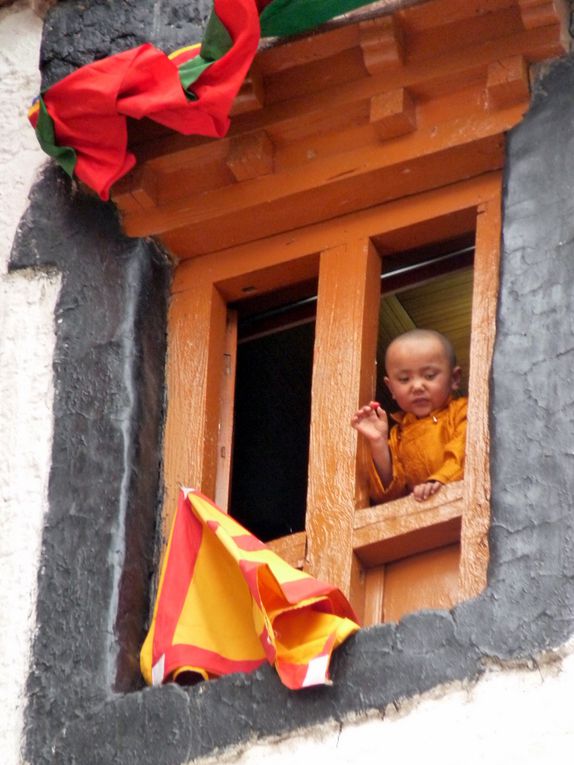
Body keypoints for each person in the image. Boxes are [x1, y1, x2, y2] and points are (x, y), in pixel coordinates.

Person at [351, 328, 467, 503]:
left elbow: (463, 452)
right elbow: (390, 495)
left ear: (454, 378)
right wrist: (378, 443)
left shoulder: (463, 411)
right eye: (405, 379)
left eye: (429, 375)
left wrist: (439, 480)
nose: (417, 386)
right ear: (391, 388)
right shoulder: (399, 434)